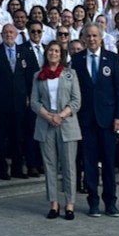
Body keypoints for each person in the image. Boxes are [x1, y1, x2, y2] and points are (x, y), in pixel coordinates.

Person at [71, 22, 119, 218]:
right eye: (88, 36)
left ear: (101, 37)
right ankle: (93, 201)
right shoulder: (76, 60)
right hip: (86, 119)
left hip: (108, 120)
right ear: (83, 38)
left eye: (95, 36)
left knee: (109, 163)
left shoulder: (112, 59)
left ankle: (110, 202)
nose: (92, 39)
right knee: (89, 162)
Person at [31, 40, 81, 220]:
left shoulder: (70, 74)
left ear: (61, 55)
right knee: (50, 165)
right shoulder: (38, 76)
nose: (53, 54)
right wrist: (48, 116)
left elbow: (76, 101)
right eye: (50, 51)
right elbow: (34, 102)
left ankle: (70, 203)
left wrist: (61, 115)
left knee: (68, 166)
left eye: (57, 51)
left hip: (66, 123)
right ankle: (53, 203)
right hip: (46, 123)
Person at [0, 23, 34, 179]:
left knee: (18, 137)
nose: (9, 35)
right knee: (0, 138)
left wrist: (28, 96)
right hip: (0, 102)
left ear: (16, 34)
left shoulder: (24, 52)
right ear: (1, 34)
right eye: (5, 32)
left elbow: (30, 76)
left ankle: (17, 168)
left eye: (11, 32)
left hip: (19, 103)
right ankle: (2, 169)